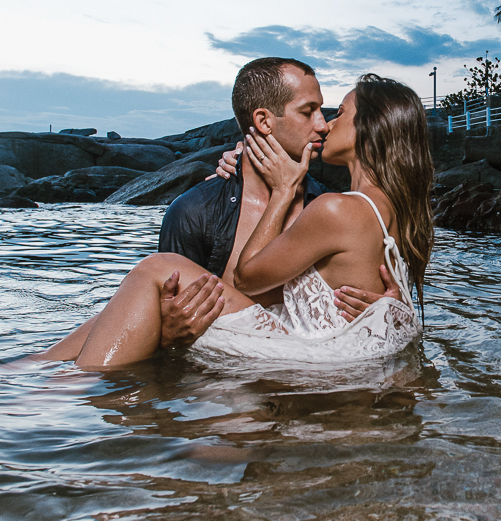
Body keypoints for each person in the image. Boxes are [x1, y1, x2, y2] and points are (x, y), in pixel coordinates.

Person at [39, 74, 433, 368]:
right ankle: (32, 368)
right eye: (312, 112)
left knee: (157, 268)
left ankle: (59, 393)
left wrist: (282, 192)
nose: (325, 124)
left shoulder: (335, 208)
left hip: (317, 364)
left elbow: (246, 278)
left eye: (339, 113)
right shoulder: (394, 211)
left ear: (368, 128)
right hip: (338, 355)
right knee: (130, 303)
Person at [156, 57, 401, 351]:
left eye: (324, 110)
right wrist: (165, 332)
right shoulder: (195, 211)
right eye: (308, 111)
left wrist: (390, 310)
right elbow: (167, 313)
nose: (323, 125)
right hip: (214, 387)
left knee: (149, 270)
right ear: (263, 121)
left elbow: (376, 291)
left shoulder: (329, 207)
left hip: (302, 381)